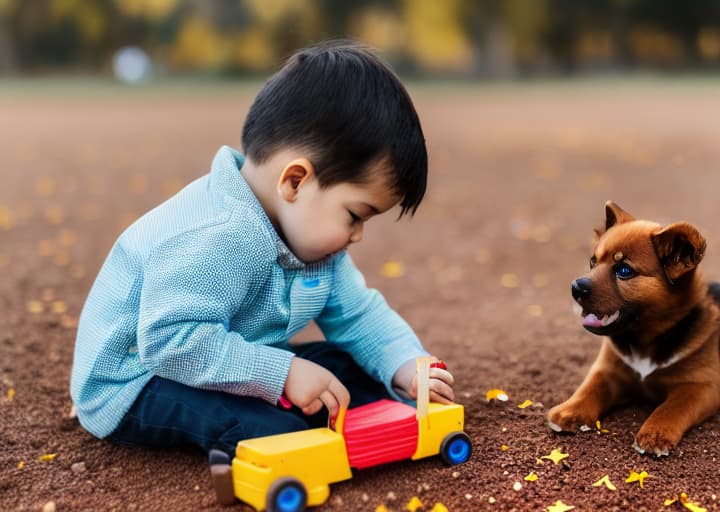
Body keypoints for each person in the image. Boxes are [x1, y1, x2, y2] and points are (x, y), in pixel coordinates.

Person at [69, 40, 455, 500]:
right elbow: (172, 342)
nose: (357, 237)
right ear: (295, 181)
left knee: (347, 366)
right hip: (138, 377)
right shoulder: (219, 234)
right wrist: (284, 374)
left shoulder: (313, 242)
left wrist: (403, 363)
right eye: (355, 215)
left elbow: (357, 314)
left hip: (224, 353)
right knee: (278, 430)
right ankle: (242, 462)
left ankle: (334, 408)